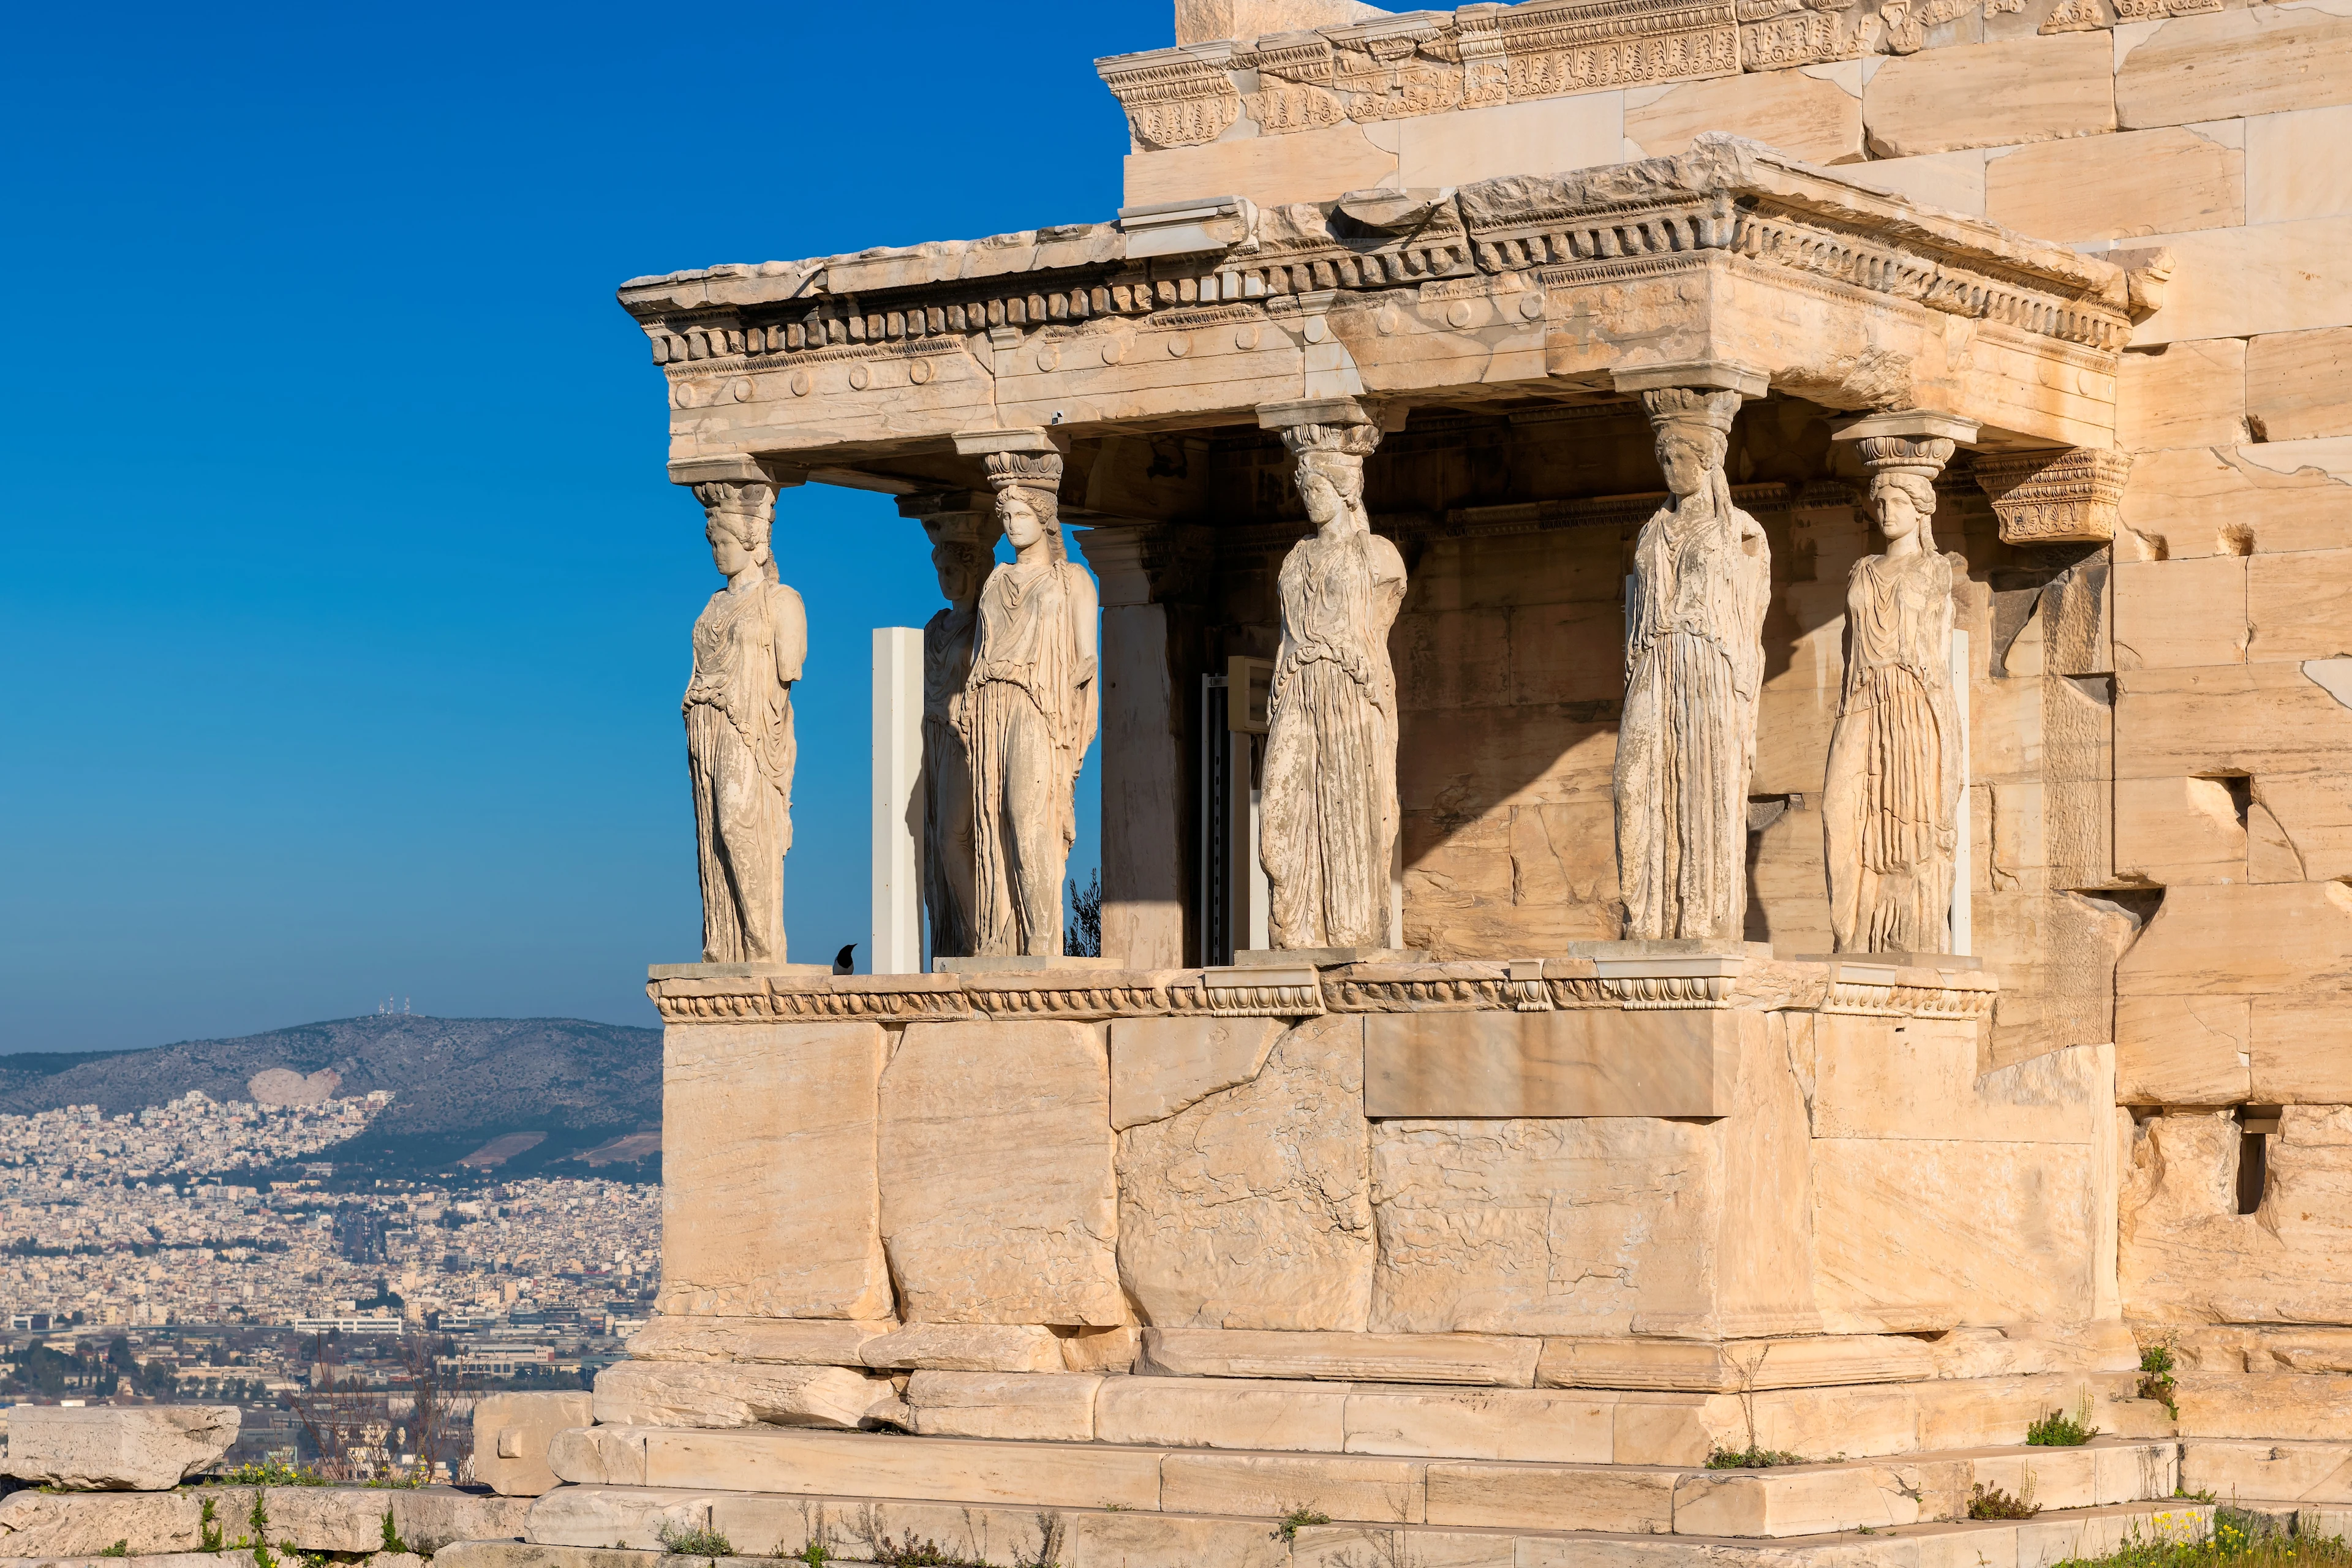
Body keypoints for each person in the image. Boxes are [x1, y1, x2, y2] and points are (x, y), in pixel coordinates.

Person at [1261, 422, 1408, 951]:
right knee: (1275, 828)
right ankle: (1294, 930)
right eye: (1303, 490)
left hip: (1350, 690)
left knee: (1349, 812)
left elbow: (1378, 628)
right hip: (1299, 688)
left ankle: (1349, 933)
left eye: (1318, 488)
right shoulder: (1294, 558)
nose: (1309, 500)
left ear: (1345, 491)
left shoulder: (1379, 557)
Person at [963, 455, 1098, 957]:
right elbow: (982, 651)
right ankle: (1000, 938)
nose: (1012, 526)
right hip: (992, 704)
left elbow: (1087, 656)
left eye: (1021, 515)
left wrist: (1076, 684)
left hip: (1039, 705)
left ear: (1044, 518)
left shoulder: (1072, 581)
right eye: (1006, 518)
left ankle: (1042, 936)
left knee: (1027, 815)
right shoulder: (995, 581)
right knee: (991, 821)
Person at [682, 484, 807, 962]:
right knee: (712, 835)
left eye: (724, 543)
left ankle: (762, 944)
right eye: (712, 543)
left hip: (750, 728)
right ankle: (725, 944)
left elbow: (789, 666)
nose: (717, 552)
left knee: (737, 824)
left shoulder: (782, 601)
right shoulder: (713, 605)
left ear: (752, 542)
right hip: (706, 725)